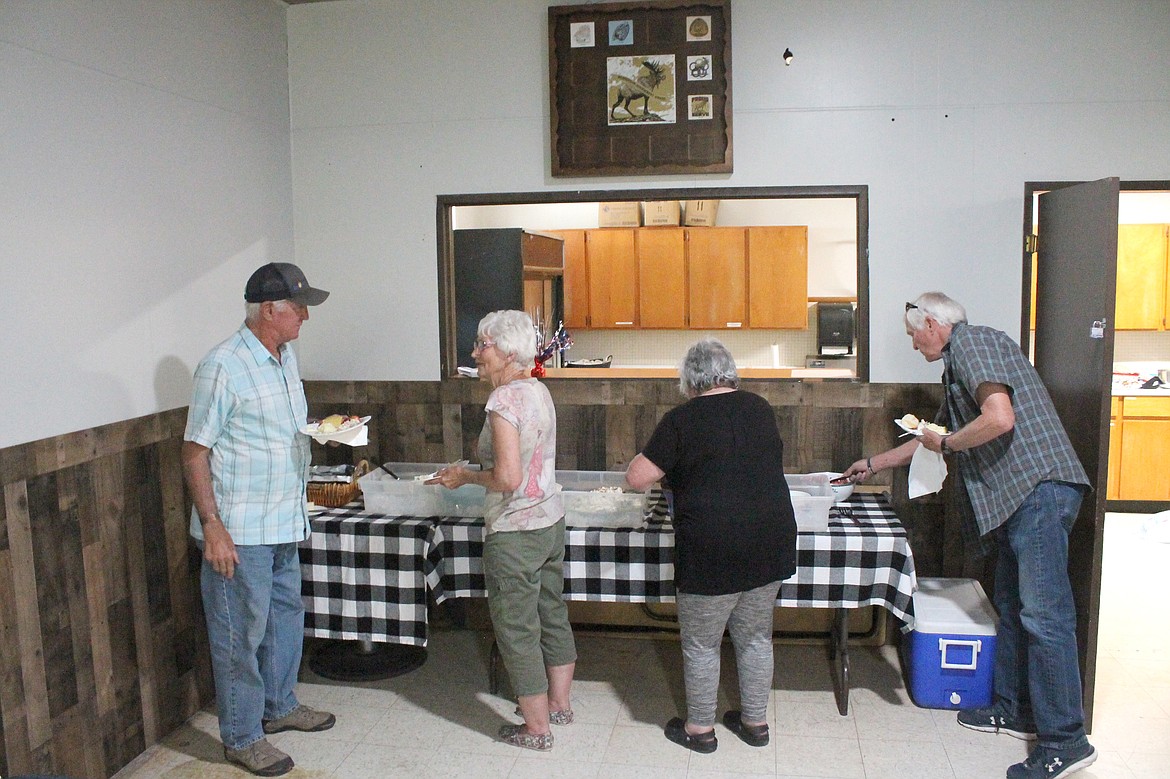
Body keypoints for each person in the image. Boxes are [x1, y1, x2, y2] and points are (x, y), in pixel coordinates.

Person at [841, 292, 1096, 779]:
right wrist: (872, 464)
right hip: (1021, 501)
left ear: (934, 324)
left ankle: (1066, 740)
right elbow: (931, 440)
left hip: (1038, 492)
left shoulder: (975, 343)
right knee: (1016, 610)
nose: (914, 345)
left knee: (1045, 618)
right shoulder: (961, 361)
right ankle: (1013, 706)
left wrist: (949, 441)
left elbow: (998, 419)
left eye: (914, 334)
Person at [182, 262, 336, 777]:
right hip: (239, 531)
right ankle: (242, 736)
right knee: (238, 634)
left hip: (284, 520)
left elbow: (277, 435)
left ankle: (280, 706)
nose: (306, 316)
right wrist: (213, 526)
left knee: (285, 619)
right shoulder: (222, 366)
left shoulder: (284, 358)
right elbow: (194, 453)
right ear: (269, 309)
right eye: (298, 307)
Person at [624, 338, 798, 754]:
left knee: (701, 643)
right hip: (769, 539)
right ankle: (755, 723)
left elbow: (637, 478)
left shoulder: (682, 419)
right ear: (730, 372)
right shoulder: (760, 408)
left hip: (712, 546)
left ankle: (700, 729)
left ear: (691, 379)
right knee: (756, 638)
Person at [428, 310, 576, 752]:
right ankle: (559, 705)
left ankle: (536, 729)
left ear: (508, 352)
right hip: (550, 520)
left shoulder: (503, 402)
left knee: (516, 629)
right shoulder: (538, 390)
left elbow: (508, 478)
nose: (476, 353)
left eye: (483, 344)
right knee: (552, 612)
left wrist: (464, 477)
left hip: (515, 531)